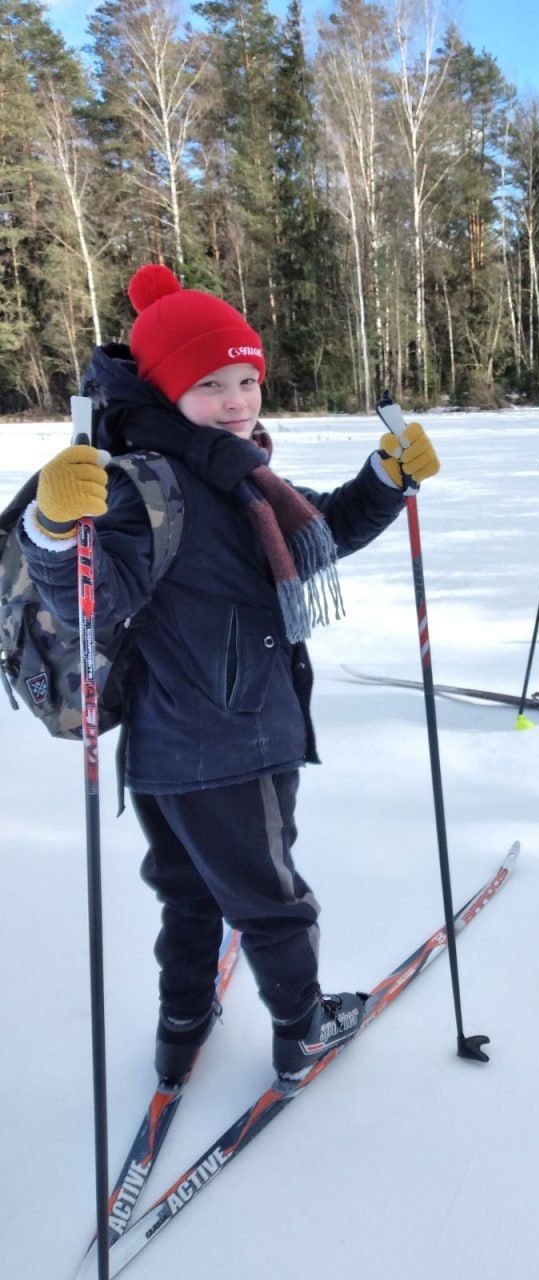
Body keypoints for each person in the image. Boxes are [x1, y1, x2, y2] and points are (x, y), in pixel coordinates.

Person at [18, 264, 439, 1083]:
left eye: (247, 378)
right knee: (270, 897)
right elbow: (91, 604)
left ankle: (182, 1023)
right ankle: (302, 1025)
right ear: (168, 390)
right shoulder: (154, 484)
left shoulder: (230, 472)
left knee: (191, 890)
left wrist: (385, 481)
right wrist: (53, 528)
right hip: (230, 742)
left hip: (172, 747)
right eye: (211, 384)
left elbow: (323, 530)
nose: (239, 399)